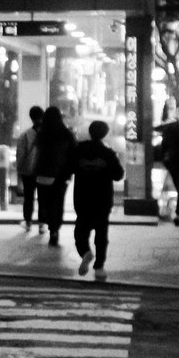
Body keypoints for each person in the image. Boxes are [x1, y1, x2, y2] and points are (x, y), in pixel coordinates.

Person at [73, 121, 125, 282]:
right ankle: (99, 267)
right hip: (102, 198)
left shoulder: (78, 150)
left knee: (80, 231)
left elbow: (69, 166)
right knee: (101, 234)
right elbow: (118, 175)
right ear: (105, 134)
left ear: (89, 132)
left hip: (82, 197)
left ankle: (85, 252)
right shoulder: (108, 153)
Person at [33, 107, 77, 246]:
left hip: (42, 174)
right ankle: (54, 229)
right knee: (58, 203)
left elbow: (38, 153)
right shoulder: (66, 134)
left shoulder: (42, 134)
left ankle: (49, 224)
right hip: (61, 175)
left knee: (45, 202)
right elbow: (73, 154)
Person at [15, 106, 44, 231]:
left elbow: (20, 155)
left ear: (31, 118)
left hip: (28, 171)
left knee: (28, 197)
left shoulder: (25, 135)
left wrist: (19, 169)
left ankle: (28, 222)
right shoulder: (48, 134)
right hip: (44, 171)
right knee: (43, 198)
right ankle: (42, 224)